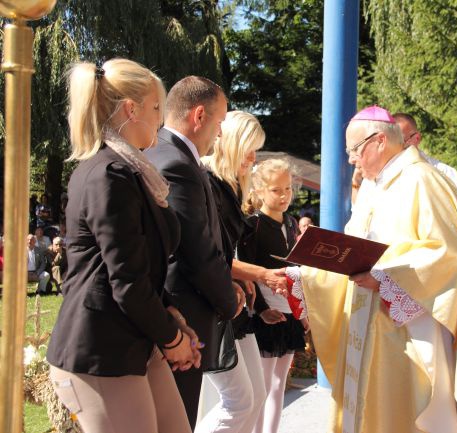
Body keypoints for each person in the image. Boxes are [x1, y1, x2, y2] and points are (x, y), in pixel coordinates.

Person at [286, 106, 457, 433]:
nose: (351, 159)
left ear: (380, 141)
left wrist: (384, 277)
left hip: (409, 331)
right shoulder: (377, 186)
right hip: (370, 323)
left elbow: (445, 253)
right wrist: (305, 274)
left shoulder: (423, 180)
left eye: (354, 150)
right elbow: (352, 247)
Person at [46, 58, 197, 433]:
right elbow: (126, 281)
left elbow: (141, 269)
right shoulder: (108, 175)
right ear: (132, 110)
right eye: (157, 108)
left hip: (133, 338)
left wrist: (171, 319)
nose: (162, 121)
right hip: (100, 351)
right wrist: (172, 337)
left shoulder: (129, 172)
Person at [146, 76, 244, 429]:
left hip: (179, 308)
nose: (220, 134)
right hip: (182, 311)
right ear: (199, 115)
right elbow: (195, 249)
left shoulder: (167, 153)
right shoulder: (176, 163)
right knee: (177, 418)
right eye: (219, 123)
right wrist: (228, 300)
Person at [196, 111, 287, 433]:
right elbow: (206, 254)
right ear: (231, 142)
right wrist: (258, 275)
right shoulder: (206, 182)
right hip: (214, 304)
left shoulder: (230, 187)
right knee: (240, 402)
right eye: (249, 147)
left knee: (256, 396)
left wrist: (244, 278)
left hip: (235, 304)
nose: (252, 157)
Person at [238, 158, 308, 433]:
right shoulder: (251, 225)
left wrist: (302, 311)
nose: (284, 196)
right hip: (263, 313)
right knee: (262, 385)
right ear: (259, 190)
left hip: (289, 309)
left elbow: (295, 271)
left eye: (288, 189)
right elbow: (246, 269)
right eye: (276, 190)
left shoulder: (291, 223)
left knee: (279, 383)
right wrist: (263, 308)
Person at [393, 112, 457, 189]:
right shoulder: (386, 173)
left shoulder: (444, 172)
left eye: (401, 141)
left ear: (417, 138)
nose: (395, 148)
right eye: (391, 142)